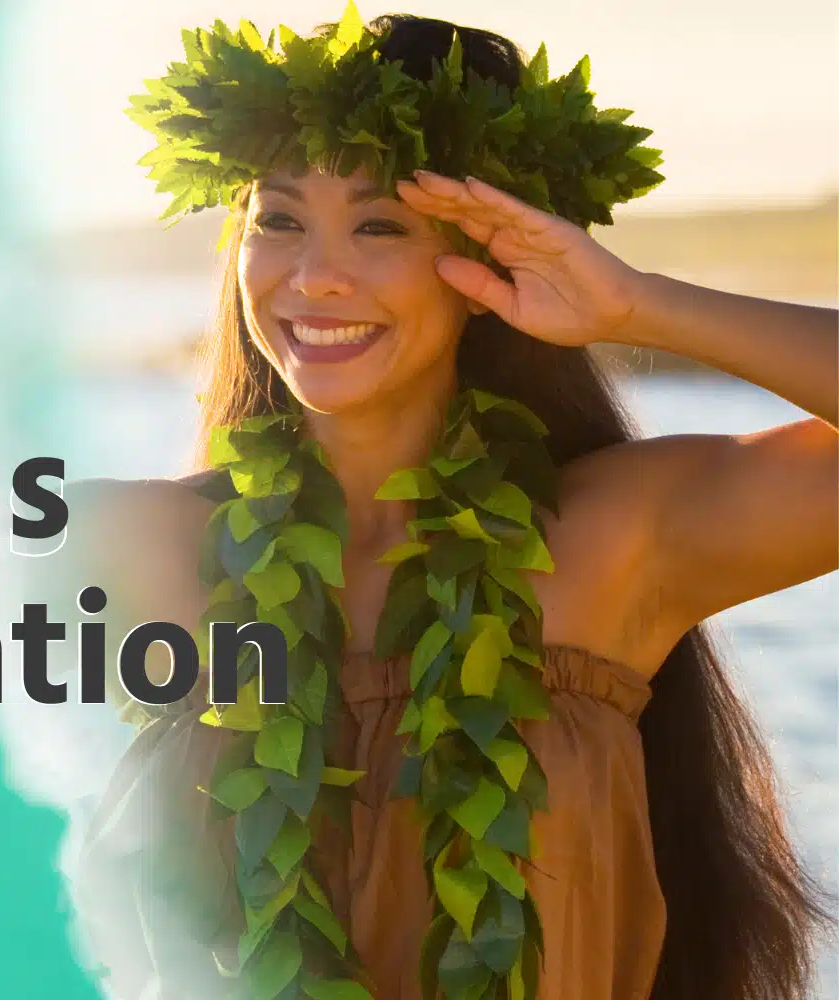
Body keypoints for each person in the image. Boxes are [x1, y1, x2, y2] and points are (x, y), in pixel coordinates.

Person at [60, 11, 836, 1000]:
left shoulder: (616, 541)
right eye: (279, 218)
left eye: (380, 224)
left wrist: (636, 304)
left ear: (486, 265)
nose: (314, 275)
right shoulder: (141, 548)